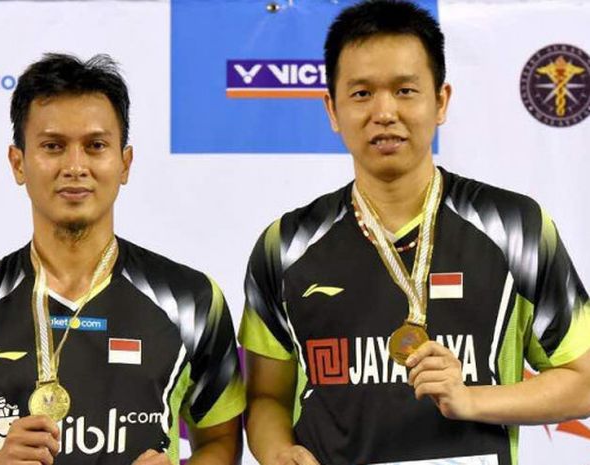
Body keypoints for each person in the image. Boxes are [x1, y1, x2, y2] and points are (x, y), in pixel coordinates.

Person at [238, 1, 590, 465]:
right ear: (332, 109)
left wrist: (472, 399)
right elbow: (266, 396)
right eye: (361, 93)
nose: (384, 112)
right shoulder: (285, 245)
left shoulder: (515, 229)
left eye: (405, 90)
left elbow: (582, 379)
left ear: (440, 101)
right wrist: (278, 452)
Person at [0, 53, 245, 465]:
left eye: (95, 145)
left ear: (124, 163)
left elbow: (223, 444)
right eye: (53, 146)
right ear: (18, 163)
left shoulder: (191, 300)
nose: (75, 166)